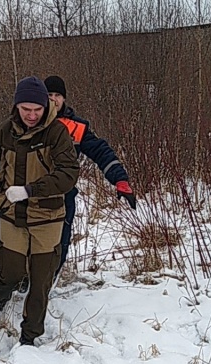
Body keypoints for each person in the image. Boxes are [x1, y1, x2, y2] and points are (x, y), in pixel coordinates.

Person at [0, 76, 79, 346]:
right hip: (12, 217)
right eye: (26, 109)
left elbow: (68, 175)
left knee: (40, 278)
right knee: (10, 269)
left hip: (48, 218)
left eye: (37, 109)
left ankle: (30, 335)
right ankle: (0, 296)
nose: (32, 115)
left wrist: (30, 190)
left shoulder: (57, 133)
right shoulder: (3, 132)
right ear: (16, 106)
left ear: (46, 106)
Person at [43, 75, 136, 276]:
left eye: (57, 95)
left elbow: (101, 151)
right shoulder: (32, 121)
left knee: (60, 241)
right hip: (32, 193)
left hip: (63, 195)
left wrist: (120, 179)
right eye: (48, 94)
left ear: (64, 98)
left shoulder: (76, 127)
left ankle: (49, 280)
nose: (53, 99)